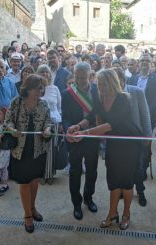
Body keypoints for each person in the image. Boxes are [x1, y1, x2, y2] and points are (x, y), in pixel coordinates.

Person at [74, 69, 143, 230]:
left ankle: (126, 214)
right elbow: (91, 116)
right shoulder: (100, 98)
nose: (101, 87)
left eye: (104, 84)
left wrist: (85, 133)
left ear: (112, 83)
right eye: (99, 84)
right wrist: (78, 126)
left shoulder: (123, 99)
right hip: (113, 144)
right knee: (113, 180)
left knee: (126, 183)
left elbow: (111, 124)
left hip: (128, 145)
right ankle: (112, 213)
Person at [4, 74, 51, 233]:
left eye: (42, 88)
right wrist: (12, 130)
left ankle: (32, 207)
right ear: (29, 88)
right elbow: (7, 121)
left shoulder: (44, 104)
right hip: (21, 149)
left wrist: (47, 130)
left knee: (34, 180)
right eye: (38, 88)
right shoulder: (16, 102)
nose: (41, 91)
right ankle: (27, 215)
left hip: (38, 149)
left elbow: (48, 122)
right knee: (25, 182)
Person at [62, 62, 101, 220]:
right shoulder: (67, 93)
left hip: (91, 136)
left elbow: (99, 112)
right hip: (75, 138)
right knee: (75, 172)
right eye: (77, 77)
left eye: (83, 78)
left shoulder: (98, 91)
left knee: (92, 171)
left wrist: (85, 124)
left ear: (90, 75)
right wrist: (68, 129)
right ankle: (76, 203)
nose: (79, 81)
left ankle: (88, 197)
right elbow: (64, 117)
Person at [113, 67, 152, 207]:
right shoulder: (111, 93)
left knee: (139, 168)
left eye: (117, 80)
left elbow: (145, 115)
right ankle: (124, 191)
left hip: (137, 137)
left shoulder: (137, 91)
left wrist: (148, 136)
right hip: (119, 138)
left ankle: (140, 192)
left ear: (124, 79)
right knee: (122, 167)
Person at [37, 64, 62, 185]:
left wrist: (60, 123)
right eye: (42, 72)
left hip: (53, 122)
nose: (45, 74)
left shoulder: (55, 88)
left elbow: (59, 107)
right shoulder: (36, 89)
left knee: (51, 150)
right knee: (41, 149)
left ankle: (50, 174)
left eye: (46, 72)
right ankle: (41, 173)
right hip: (39, 123)